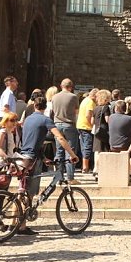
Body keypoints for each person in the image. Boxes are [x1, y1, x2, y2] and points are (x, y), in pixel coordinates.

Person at [16, 98, 78, 235]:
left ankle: (17, 223)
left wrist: (44, 158)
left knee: (24, 190)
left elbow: (32, 140)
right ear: (47, 108)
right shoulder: (45, 120)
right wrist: (72, 154)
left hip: (24, 156)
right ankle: (21, 226)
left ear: (34, 105)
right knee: (29, 192)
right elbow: (60, 138)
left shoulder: (28, 119)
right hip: (32, 159)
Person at [51, 78, 81, 183]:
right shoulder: (73, 97)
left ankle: (59, 176)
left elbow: (53, 111)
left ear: (61, 86)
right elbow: (77, 112)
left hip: (57, 125)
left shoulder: (54, 97)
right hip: (69, 125)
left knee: (59, 151)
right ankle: (70, 177)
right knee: (70, 151)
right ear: (71, 87)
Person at [77, 89, 98, 174]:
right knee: (87, 146)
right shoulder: (90, 102)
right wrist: (92, 125)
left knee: (83, 146)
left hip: (80, 125)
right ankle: (85, 167)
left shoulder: (85, 100)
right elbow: (88, 115)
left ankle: (83, 165)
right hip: (86, 127)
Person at [91, 89, 112, 163]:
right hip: (104, 131)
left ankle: (95, 169)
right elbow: (107, 120)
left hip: (97, 131)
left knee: (97, 150)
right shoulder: (106, 107)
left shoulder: (95, 108)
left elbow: (92, 121)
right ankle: (103, 166)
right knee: (104, 149)